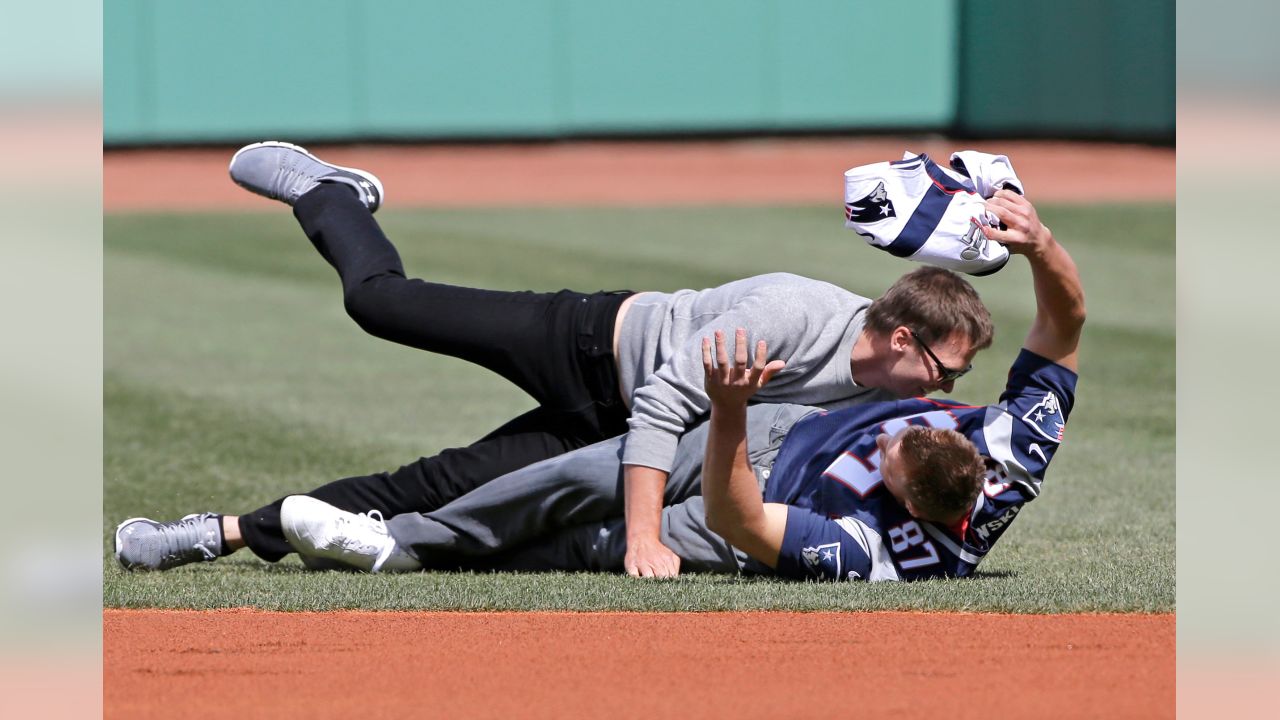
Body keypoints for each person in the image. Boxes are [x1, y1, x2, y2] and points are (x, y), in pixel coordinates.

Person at [114, 141, 996, 577]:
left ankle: (217, 534)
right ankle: (331, 194)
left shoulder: (879, 394)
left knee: (438, 489)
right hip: (583, 343)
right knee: (378, 304)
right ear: (897, 335)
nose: (949, 390)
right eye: (945, 370)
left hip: (612, 432)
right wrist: (644, 538)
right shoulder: (792, 316)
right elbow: (661, 407)